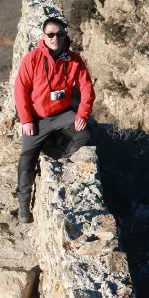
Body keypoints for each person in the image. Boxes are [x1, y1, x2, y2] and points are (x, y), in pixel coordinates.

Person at [14, 15, 95, 222]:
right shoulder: (33, 58)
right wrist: (26, 120)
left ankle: (60, 159)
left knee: (84, 135)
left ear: (64, 35)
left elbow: (87, 88)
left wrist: (83, 114)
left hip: (61, 114)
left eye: (59, 34)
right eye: (50, 34)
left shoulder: (73, 60)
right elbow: (20, 89)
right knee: (26, 159)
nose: (55, 38)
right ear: (43, 36)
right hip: (36, 118)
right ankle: (23, 206)